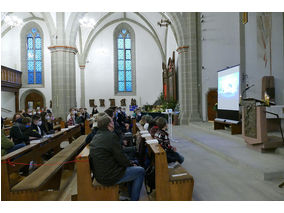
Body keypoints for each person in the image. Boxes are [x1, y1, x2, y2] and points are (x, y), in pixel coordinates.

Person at [89, 114, 145, 201]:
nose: (113, 123)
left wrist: (130, 163)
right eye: (112, 121)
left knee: (134, 164)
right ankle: (134, 200)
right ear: (109, 124)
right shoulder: (110, 136)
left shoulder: (97, 136)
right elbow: (121, 157)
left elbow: (118, 157)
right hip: (109, 176)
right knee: (141, 171)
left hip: (101, 173)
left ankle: (131, 194)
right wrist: (130, 164)